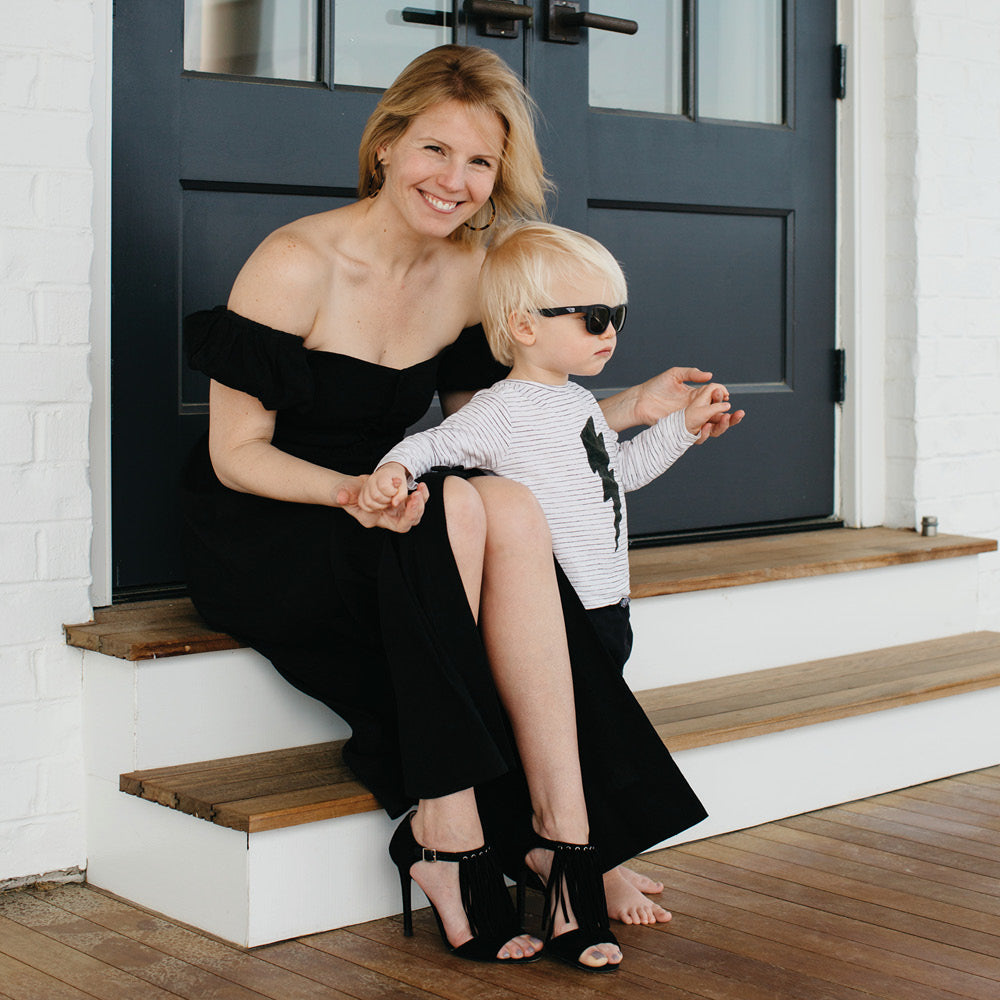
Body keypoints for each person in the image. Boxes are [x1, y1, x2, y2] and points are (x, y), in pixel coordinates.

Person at [181, 45, 741, 973]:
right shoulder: (295, 262)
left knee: (502, 506)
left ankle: (550, 837)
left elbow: (503, 438)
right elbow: (236, 456)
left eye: (479, 163)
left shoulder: (474, 275)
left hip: (403, 497)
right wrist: (350, 491)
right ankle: (501, 836)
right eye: (434, 151)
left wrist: (640, 409)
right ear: (386, 147)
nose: (454, 182)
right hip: (276, 514)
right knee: (457, 519)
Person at [359, 221, 732, 672]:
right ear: (524, 326)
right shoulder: (500, 410)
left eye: (617, 316)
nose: (610, 332)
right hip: (554, 611)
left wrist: (683, 427)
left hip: (609, 600)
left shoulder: (579, 401)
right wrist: (393, 471)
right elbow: (431, 445)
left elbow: (621, 474)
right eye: (594, 319)